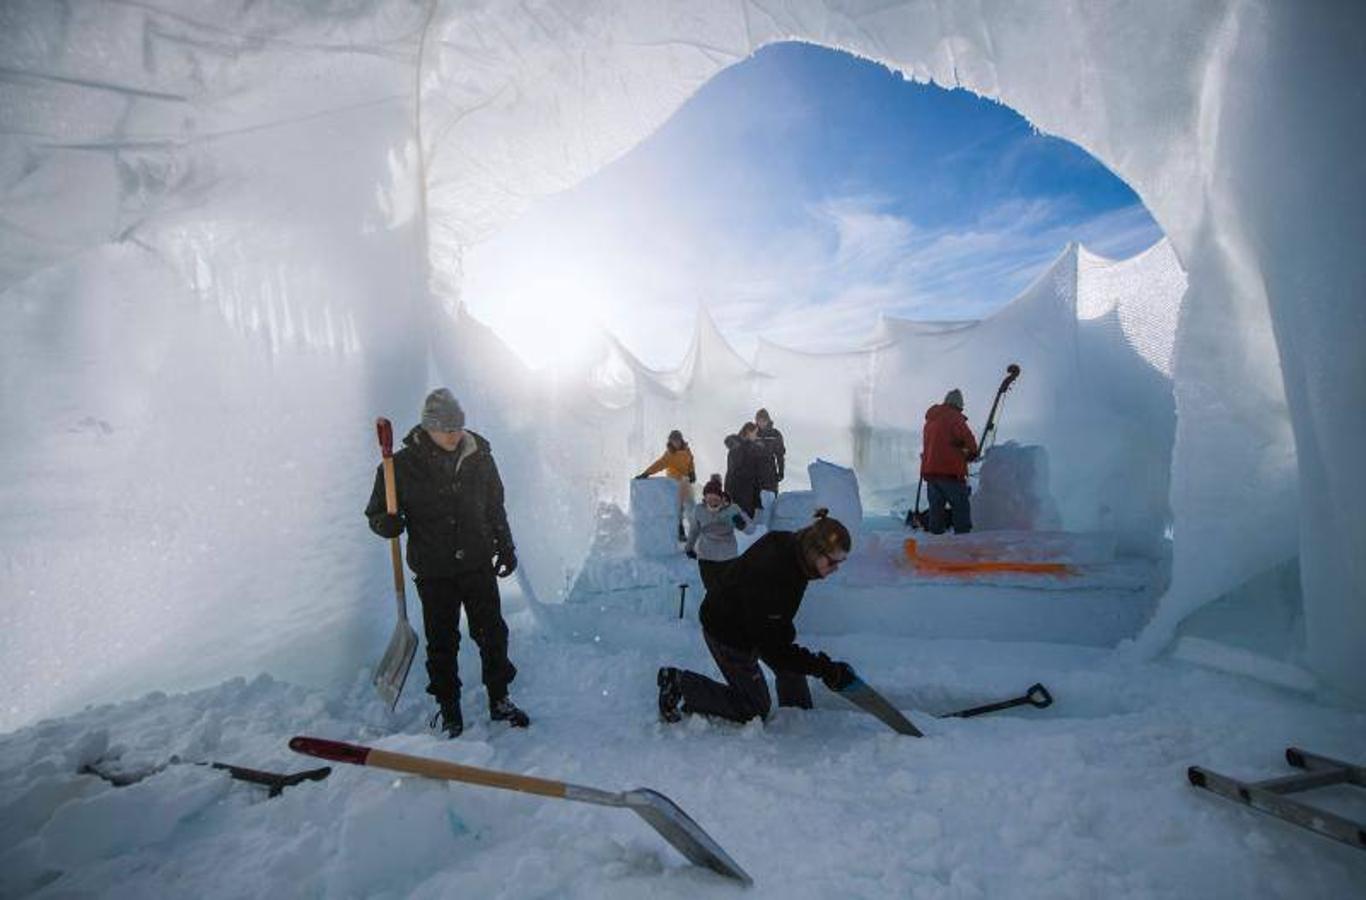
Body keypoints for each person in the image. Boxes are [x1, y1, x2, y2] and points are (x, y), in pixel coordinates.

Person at [365, 388, 530, 738]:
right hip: (434, 570)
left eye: (458, 427)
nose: (454, 435)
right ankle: (449, 709)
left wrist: (506, 544)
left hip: (477, 561)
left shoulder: (480, 456)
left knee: (492, 635)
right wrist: (387, 524)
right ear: (428, 429)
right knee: (442, 642)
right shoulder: (400, 467)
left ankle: (500, 699)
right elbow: (377, 512)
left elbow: (494, 505)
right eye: (446, 429)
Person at [657, 510, 858, 725]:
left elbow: (774, 625)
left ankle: (799, 720)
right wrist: (826, 669)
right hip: (726, 631)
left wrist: (794, 646)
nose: (836, 569)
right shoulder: (777, 576)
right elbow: (774, 647)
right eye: (832, 562)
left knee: (791, 667)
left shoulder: (793, 549)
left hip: (748, 619)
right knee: (754, 708)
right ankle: (680, 683)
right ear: (814, 551)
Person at [920, 388, 979, 535]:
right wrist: (969, 453)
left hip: (931, 473)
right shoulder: (955, 418)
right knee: (961, 509)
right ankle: (963, 543)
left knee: (936, 511)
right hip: (950, 473)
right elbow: (971, 446)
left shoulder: (931, 420)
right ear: (959, 405)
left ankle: (935, 545)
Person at [685, 475, 754, 593]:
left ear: (721, 497)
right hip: (707, 560)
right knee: (712, 592)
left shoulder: (732, 509)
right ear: (705, 498)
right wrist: (689, 548)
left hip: (728, 559)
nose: (712, 501)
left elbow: (751, 529)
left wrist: (742, 524)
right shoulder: (699, 510)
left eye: (715, 498)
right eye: (709, 498)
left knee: (728, 592)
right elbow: (694, 531)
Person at [636, 429, 696, 541]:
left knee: (691, 505)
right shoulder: (669, 455)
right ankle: (680, 532)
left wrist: (692, 472)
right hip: (675, 484)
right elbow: (658, 465)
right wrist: (646, 473)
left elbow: (691, 461)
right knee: (678, 509)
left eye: (677, 440)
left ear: (681, 440)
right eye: (673, 441)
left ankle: (696, 529)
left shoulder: (687, 450)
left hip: (686, 481)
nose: (676, 443)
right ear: (670, 442)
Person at [723, 422, 763, 517]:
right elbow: (734, 473)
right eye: (755, 433)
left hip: (748, 495)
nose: (757, 436)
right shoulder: (737, 448)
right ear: (748, 432)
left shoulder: (749, 447)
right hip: (739, 496)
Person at [754, 408, 786, 497]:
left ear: (767, 420)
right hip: (755, 472)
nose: (761, 423)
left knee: (770, 499)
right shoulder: (753, 434)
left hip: (770, 472)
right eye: (758, 420)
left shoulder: (775, 434)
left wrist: (781, 472)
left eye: (763, 420)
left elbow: (780, 455)